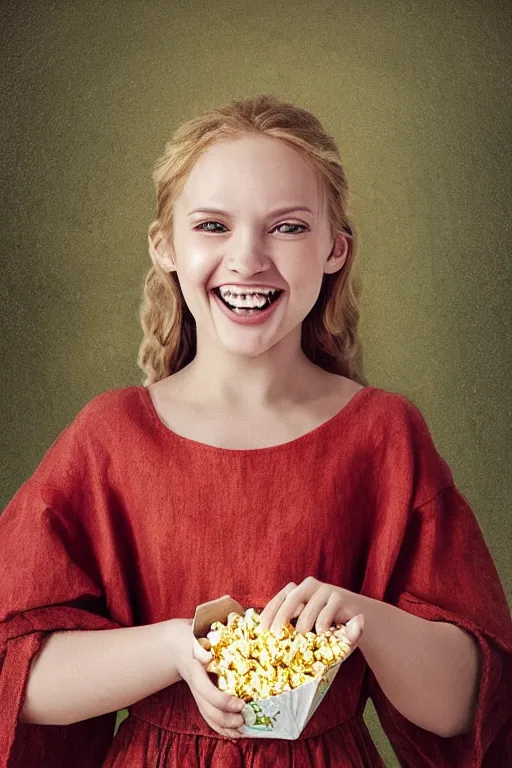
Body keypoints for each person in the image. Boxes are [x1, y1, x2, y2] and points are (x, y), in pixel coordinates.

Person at [0, 93, 510, 768]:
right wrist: (176, 648)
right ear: (166, 247)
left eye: (288, 228)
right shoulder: (109, 438)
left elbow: (463, 705)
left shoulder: (385, 435)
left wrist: (359, 620)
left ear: (335, 250)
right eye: (213, 225)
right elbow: (18, 674)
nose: (247, 258)